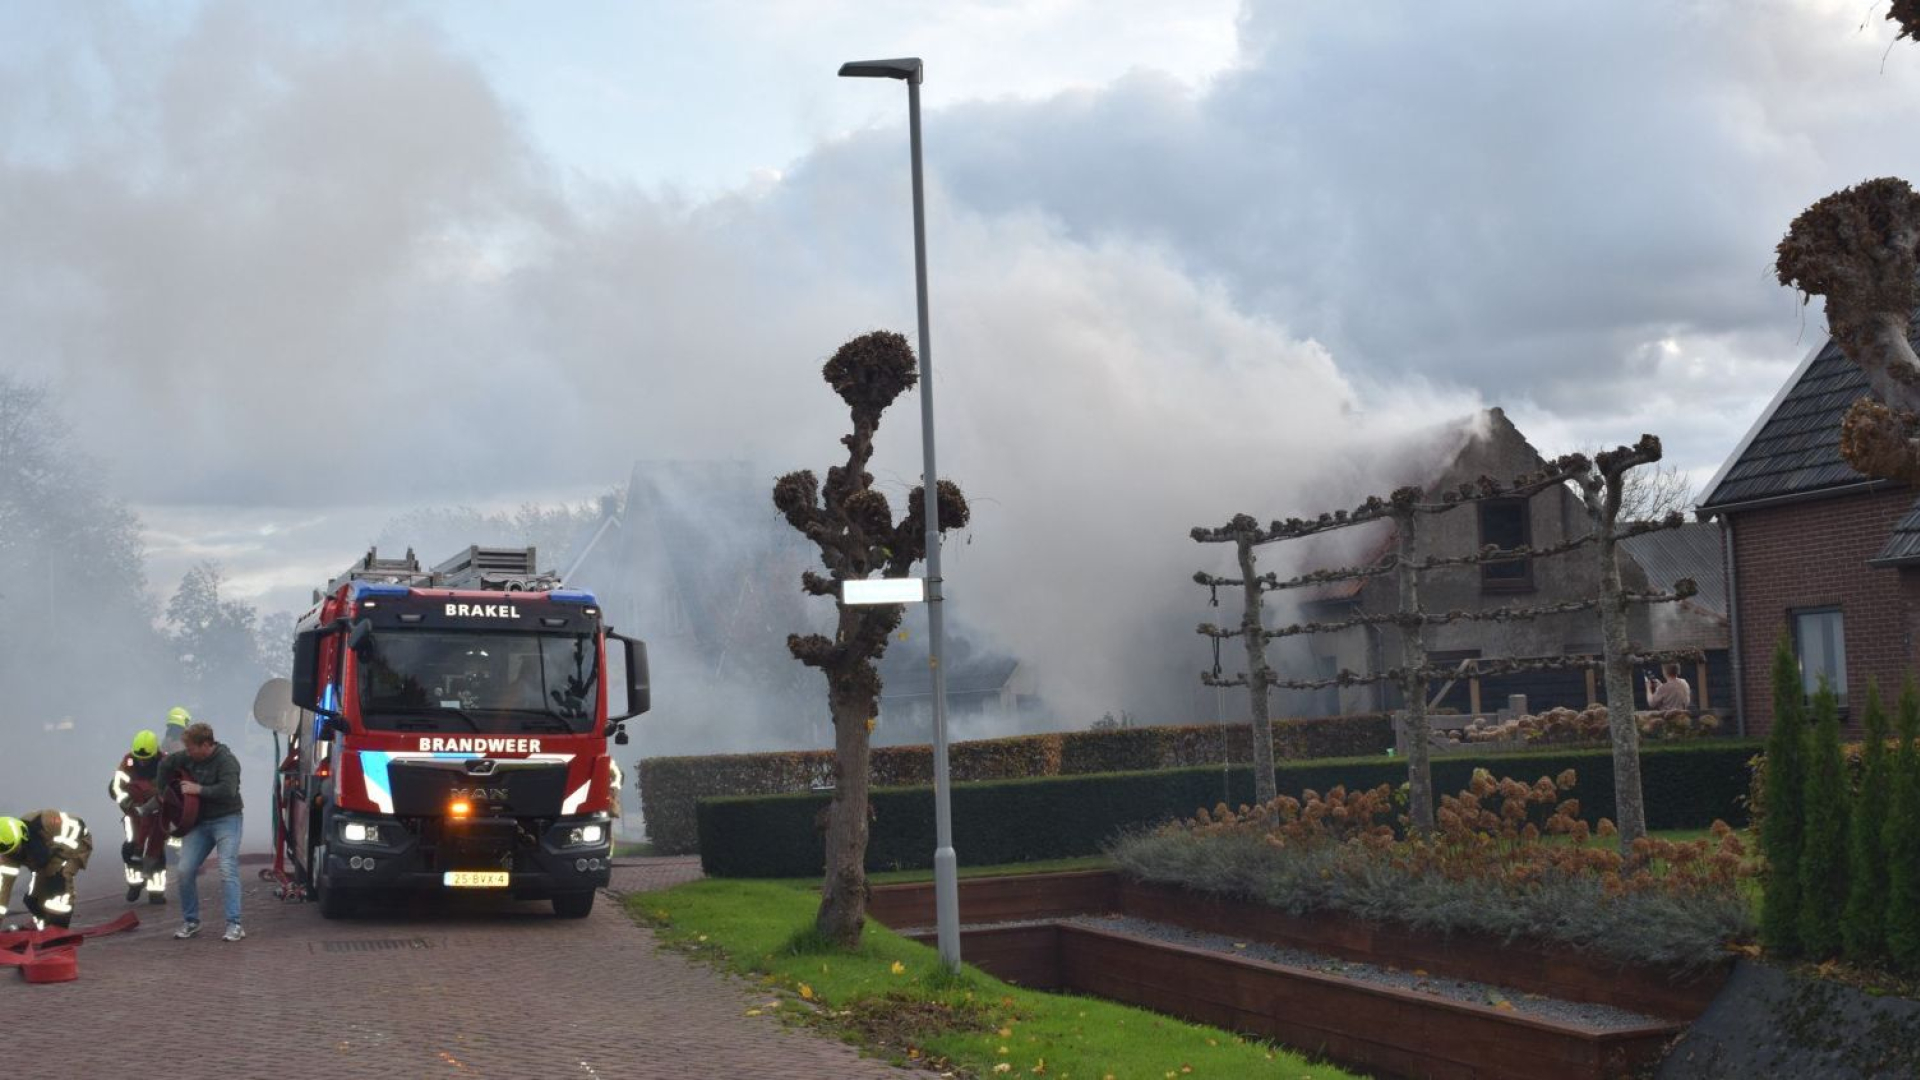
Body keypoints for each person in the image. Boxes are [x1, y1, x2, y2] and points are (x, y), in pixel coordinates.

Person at [157, 722, 244, 942]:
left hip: (227, 819)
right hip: (199, 823)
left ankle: (234, 924)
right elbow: (166, 764)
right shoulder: (187, 757)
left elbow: (228, 790)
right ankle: (191, 921)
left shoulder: (227, 761)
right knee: (184, 870)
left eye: (192, 748)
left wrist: (199, 790)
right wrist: (163, 792)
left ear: (205, 745)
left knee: (226, 867)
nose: (188, 753)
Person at [0, 810, 93, 931]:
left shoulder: (46, 823)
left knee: (58, 880)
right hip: (48, 854)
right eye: (11, 852)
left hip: (76, 843)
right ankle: (42, 923)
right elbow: (3, 888)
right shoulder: (8, 853)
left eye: (18, 849)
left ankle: (58, 928)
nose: (16, 855)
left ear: (23, 835)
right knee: (33, 899)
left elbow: (79, 827)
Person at [109, 729, 169, 904]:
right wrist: (126, 802)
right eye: (139, 758)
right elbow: (116, 787)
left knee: (157, 851)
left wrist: (157, 800)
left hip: (157, 813)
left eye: (146, 758)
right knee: (131, 849)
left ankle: (156, 892)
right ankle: (135, 883)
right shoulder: (127, 762)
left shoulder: (164, 762)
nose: (142, 761)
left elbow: (170, 787)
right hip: (133, 813)